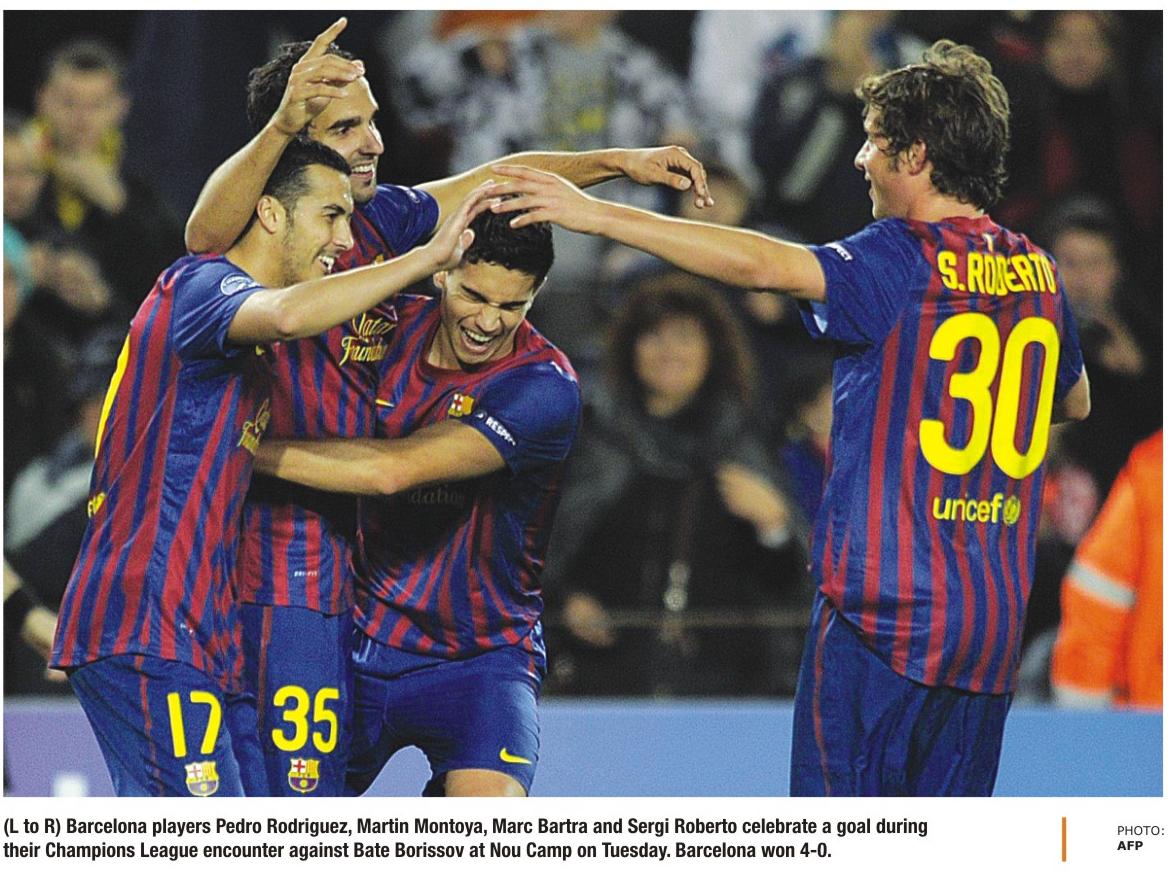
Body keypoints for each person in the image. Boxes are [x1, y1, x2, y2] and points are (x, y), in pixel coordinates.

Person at [489, 39, 1091, 796]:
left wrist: (596, 215)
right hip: (988, 630)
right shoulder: (1039, 272)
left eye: (874, 141)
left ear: (917, 155)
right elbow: (1073, 399)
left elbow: (763, 264)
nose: (861, 160)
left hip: (884, 621)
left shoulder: (899, 257)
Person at [183, 18, 710, 796]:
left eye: (371, 122)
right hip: (285, 569)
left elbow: (498, 178)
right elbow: (203, 233)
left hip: (416, 616)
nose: (375, 142)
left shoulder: (388, 227)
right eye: (347, 128)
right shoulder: (246, 247)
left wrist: (616, 162)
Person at [48, 137, 492, 797]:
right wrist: (423, 260)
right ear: (271, 213)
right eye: (331, 216)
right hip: (145, 619)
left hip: (204, 632)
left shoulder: (250, 356)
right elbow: (284, 315)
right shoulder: (199, 285)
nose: (345, 240)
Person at [254, 208, 577, 797]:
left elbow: (392, 472)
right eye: (474, 296)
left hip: (481, 659)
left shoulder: (544, 387)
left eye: (512, 306)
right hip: (351, 637)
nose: (488, 322)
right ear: (441, 271)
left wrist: (241, 450)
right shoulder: (379, 331)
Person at [542, 273, 808, 698]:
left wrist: (774, 526)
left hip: (728, 693)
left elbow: (789, 585)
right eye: (653, 337)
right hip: (601, 685)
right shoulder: (593, 438)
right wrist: (565, 602)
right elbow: (545, 554)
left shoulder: (744, 443)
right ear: (629, 348)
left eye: (685, 337)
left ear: (712, 351)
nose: (669, 352)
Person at [1050, 431, 1162, 709]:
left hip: (1150, 717)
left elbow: (1095, 606)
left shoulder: (1155, 474)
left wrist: (1087, 724)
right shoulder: (1153, 476)